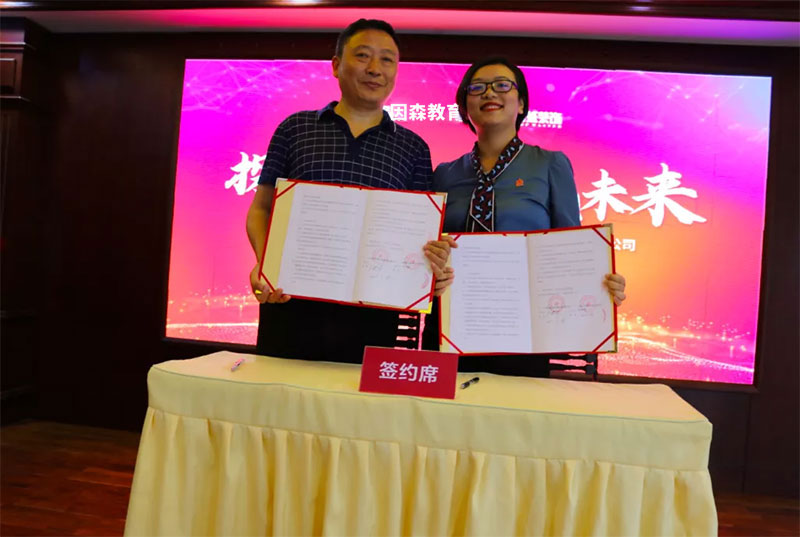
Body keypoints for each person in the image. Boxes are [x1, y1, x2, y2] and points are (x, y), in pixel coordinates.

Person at [246, 19, 453, 363]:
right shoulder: (294, 128)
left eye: (387, 59)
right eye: (363, 55)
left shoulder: (413, 148)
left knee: (360, 397)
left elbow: (420, 233)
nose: (375, 69)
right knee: (281, 392)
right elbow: (261, 209)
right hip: (290, 299)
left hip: (374, 311)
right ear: (336, 65)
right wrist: (264, 263)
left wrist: (435, 257)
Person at [432, 57, 626, 377]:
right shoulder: (444, 174)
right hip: (451, 323)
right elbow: (430, 251)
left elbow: (571, 251)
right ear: (464, 107)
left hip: (523, 330)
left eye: (502, 85)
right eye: (477, 88)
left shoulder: (549, 164)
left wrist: (600, 285)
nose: (489, 93)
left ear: (521, 103)